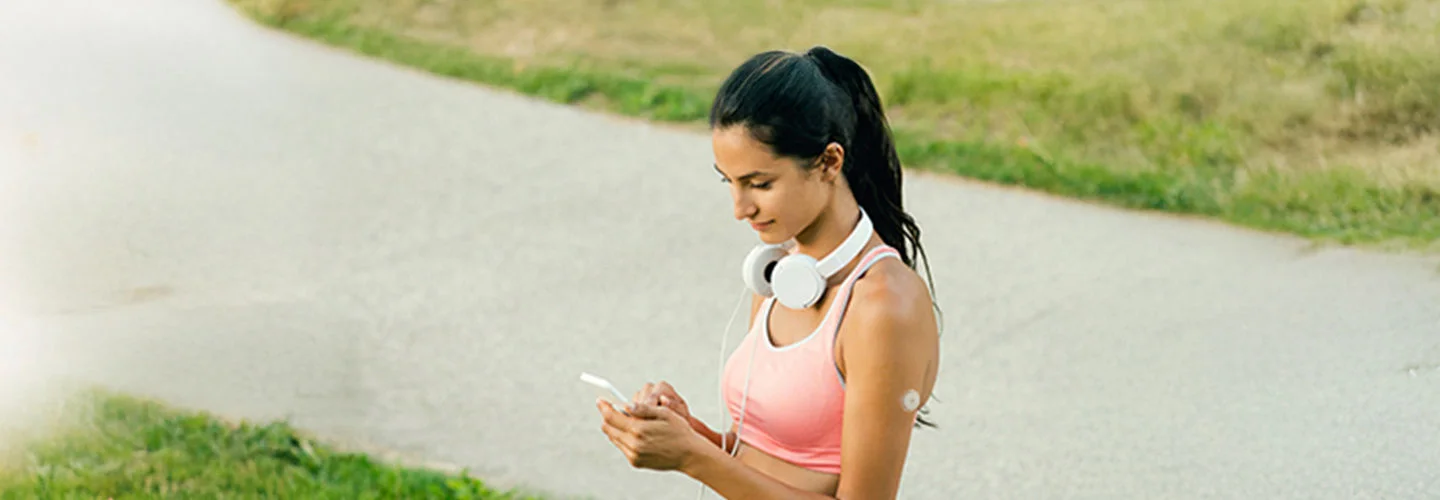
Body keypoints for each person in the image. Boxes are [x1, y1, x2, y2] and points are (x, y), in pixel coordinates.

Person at [595, 45, 941, 499]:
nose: (741, 209)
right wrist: (687, 433)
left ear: (829, 162)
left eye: (760, 184)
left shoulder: (883, 306)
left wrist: (693, 457)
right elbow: (762, 462)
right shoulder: (781, 278)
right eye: (730, 182)